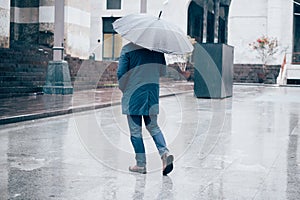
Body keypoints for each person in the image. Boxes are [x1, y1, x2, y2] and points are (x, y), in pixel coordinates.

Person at [117, 42, 174, 175]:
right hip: (151, 94)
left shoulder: (127, 49)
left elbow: (121, 73)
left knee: (135, 131)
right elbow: (163, 71)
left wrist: (124, 88)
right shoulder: (158, 50)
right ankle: (164, 154)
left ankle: (141, 164)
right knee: (153, 126)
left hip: (133, 95)